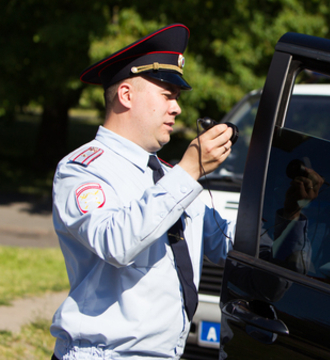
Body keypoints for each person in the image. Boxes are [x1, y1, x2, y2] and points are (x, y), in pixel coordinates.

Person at [49, 24, 237, 359]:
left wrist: (289, 210)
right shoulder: (82, 168)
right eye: (167, 95)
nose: (177, 109)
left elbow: (226, 244)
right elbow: (117, 243)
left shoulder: (170, 176)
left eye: (176, 99)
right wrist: (190, 169)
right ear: (126, 95)